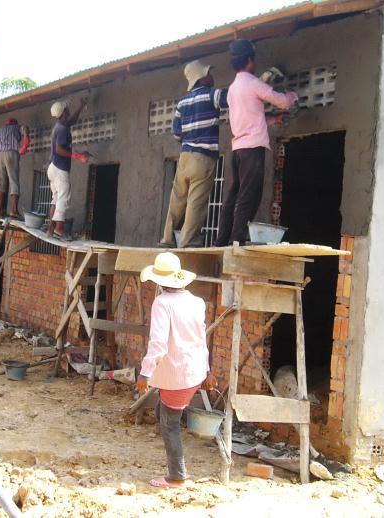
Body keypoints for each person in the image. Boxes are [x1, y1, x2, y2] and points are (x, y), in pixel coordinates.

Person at [136, 252, 217, 488]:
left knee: (170, 424)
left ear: (159, 281)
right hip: (194, 372)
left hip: (177, 374)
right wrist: (207, 370)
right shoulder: (195, 301)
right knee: (167, 411)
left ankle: (176, 476)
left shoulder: (162, 303)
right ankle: (177, 473)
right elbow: (201, 339)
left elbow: (159, 343)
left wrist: (145, 373)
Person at [215, 39, 298, 246]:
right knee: (248, 196)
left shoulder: (234, 88)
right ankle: (237, 240)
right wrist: (293, 96)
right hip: (252, 150)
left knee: (234, 195)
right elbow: (282, 101)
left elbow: (251, 117)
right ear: (250, 60)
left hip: (238, 149)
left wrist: (273, 120)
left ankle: (222, 240)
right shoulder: (253, 83)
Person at [160, 60, 228, 248]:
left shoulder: (181, 103)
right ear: (202, 77)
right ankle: (187, 242)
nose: (211, 75)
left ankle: (166, 239)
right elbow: (231, 98)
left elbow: (176, 133)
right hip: (203, 157)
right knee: (196, 202)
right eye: (208, 73)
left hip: (185, 156)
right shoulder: (211, 95)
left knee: (177, 200)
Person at [47, 99, 89, 240]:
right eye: (67, 109)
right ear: (64, 112)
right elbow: (59, 149)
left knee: (56, 197)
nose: (68, 110)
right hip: (60, 168)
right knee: (64, 198)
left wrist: (81, 106)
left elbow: (72, 121)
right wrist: (78, 156)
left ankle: (51, 228)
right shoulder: (63, 129)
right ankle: (59, 229)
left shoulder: (61, 125)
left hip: (53, 167)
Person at [0, 117, 29, 218]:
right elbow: (25, 128)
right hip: (11, 153)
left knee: (0, 183)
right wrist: (25, 144)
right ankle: (14, 210)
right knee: (14, 181)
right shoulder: (17, 127)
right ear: (14, 123)